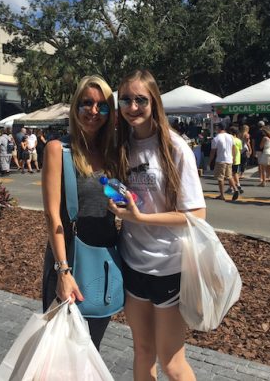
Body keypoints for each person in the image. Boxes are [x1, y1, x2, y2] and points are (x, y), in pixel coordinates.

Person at [109, 70, 206, 381]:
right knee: (142, 350)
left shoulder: (175, 147)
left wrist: (141, 218)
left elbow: (196, 214)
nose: (133, 106)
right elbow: (131, 198)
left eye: (141, 99)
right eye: (126, 99)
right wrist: (120, 205)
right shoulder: (121, 146)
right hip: (132, 263)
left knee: (172, 363)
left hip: (168, 267)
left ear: (154, 102)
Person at [42, 75, 117, 351]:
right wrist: (63, 272)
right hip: (70, 261)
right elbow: (53, 215)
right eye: (87, 103)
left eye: (102, 105)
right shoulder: (58, 150)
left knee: (90, 350)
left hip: (107, 262)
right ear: (76, 107)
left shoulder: (113, 152)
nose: (94, 111)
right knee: (60, 351)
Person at [209, 122, 239, 201]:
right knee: (229, 176)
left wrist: (210, 160)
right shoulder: (231, 137)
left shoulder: (216, 138)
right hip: (229, 159)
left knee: (220, 178)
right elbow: (233, 148)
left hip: (220, 159)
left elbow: (213, 151)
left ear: (219, 128)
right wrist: (233, 157)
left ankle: (222, 195)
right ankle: (235, 189)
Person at [226, 127, 243, 194]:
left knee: (229, 174)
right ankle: (238, 185)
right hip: (237, 159)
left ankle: (231, 188)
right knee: (235, 173)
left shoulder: (230, 140)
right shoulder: (239, 140)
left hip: (230, 158)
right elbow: (240, 150)